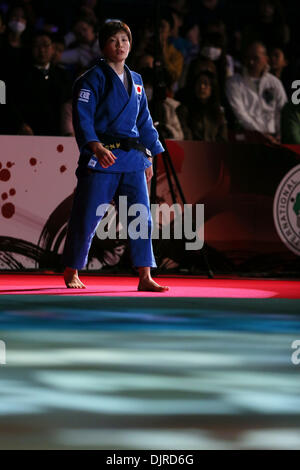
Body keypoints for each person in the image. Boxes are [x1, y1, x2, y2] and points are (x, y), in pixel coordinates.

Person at [62, 20, 169, 292]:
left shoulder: (137, 82)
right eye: (114, 40)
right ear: (103, 45)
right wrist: (95, 146)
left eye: (125, 40)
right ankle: (72, 269)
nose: (120, 45)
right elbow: (83, 118)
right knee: (87, 214)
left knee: (141, 217)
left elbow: (144, 121)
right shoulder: (90, 79)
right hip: (103, 156)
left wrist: (152, 154)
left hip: (132, 158)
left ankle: (145, 275)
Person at [226, 41, 287, 143]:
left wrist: (280, 136)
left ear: (266, 59)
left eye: (255, 58)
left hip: (274, 140)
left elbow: (282, 111)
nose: (251, 62)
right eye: (248, 58)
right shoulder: (233, 83)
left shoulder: (275, 83)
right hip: (248, 139)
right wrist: (261, 135)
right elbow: (240, 114)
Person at [177, 70, 228, 142]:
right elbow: (186, 137)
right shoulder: (184, 110)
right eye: (199, 83)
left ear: (212, 88)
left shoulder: (218, 111)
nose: (202, 87)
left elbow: (223, 138)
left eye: (206, 84)